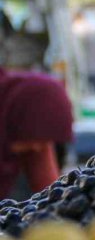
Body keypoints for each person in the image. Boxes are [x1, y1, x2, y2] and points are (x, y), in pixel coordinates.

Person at [0, 68, 74, 199]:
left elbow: (54, 196)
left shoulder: (35, 141)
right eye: (35, 136)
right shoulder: (16, 106)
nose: (37, 148)